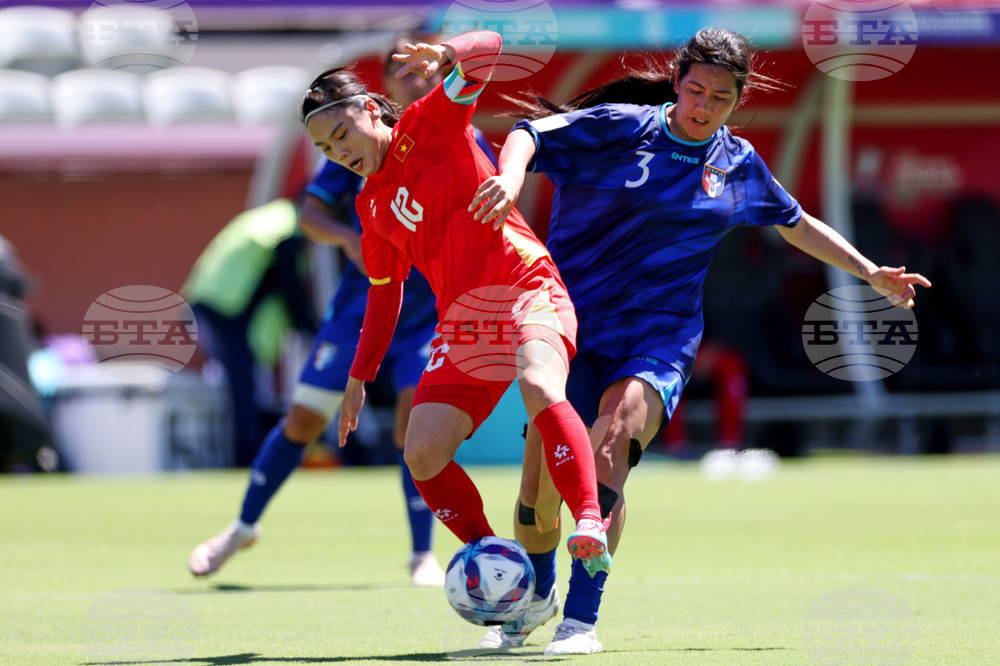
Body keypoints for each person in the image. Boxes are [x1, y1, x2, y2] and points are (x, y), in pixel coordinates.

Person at [469, 27, 932, 654]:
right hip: (569, 323)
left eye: (720, 97)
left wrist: (869, 271)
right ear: (677, 81)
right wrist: (512, 178)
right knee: (538, 501)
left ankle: (581, 619)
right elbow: (528, 133)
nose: (703, 106)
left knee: (612, 446)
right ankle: (538, 592)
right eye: (695, 91)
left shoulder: (736, 162)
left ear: (737, 101)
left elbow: (796, 224)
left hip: (658, 335)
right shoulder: (619, 126)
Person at [302, 30, 611, 583]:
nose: (340, 153)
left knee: (541, 387)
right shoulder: (369, 205)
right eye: (327, 149)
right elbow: (383, 291)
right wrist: (359, 374)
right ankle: (498, 564)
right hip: (466, 325)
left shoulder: (430, 121)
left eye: (342, 134)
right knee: (421, 453)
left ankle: (590, 519)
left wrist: (447, 52)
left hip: (527, 286)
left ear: (372, 109)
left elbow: (490, 45)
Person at [187, 33, 494, 586]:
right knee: (304, 419)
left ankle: (422, 552)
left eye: (424, 74)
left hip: (428, 314)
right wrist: (352, 241)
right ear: (385, 89)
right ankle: (243, 526)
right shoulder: (353, 152)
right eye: (404, 75)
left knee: (412, 423)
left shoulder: (454, 133)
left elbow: (488, 191)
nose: (417, 82)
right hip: (362, 307)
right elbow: (309, 216)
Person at [183, 199, 316, 468]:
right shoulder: (289, 230)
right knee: (243, 385)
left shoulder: (274, 217)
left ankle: (252, 455)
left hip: (213, 301)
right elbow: (292, 293)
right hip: (222, 305)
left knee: (248, 385)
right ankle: (246, 460)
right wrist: (314, 330)